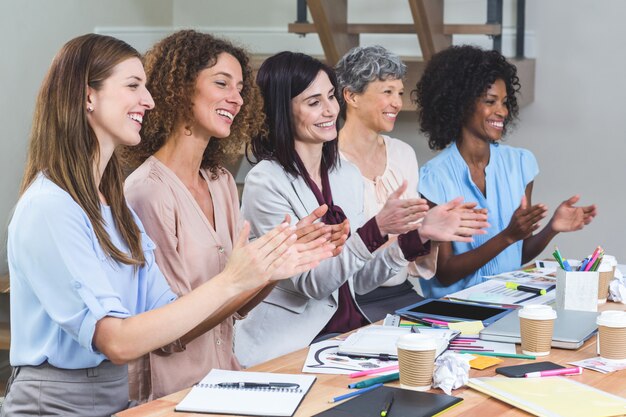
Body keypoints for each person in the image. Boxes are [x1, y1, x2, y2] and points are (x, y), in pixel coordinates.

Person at [1, 34, 331, 417]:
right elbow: (117, 342)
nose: (150, 100)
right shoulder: (50, 207)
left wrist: (266, 266)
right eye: (132, 86)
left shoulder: (115, 210)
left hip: (115, 397)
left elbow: (174, 318)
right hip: (59, 403)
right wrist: (232, 280)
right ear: (87, 96)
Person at [121, 30, 338, 402]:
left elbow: (233, 312)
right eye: (222, 83)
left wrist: (275, 265)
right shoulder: (148, 191)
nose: (236, 98)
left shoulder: (220, 181)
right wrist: (249, 275)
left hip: (225, 378)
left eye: (240, 88)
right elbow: (172, 332)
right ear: (181, 88)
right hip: (173, 394)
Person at [235, 51, 479, 367]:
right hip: (298, 339)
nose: (330, 110)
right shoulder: (265, 182)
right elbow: (312, 285)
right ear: (283, 110)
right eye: (313, 102)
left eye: (331, 97)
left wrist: (415, 237)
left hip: (349, 331)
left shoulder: (344, 174)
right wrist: (375, 229)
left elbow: (358, 280)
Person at [413, 45, 597, 298]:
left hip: (506, 301)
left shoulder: (520, 164)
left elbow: (516, 252)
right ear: (460, 103)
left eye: (504, 102)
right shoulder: (433, 179)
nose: (502, 111)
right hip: (455, 313)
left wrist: (552, 227)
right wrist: (508, 236)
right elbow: (444, 273)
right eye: (490, 102)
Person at [335, 45, 489, 315]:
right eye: (387, 92)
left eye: (400, 93)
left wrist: (433, 229)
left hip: (401, 291)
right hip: (347, 302)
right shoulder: (328, 162)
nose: (397, 102)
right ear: (351, 96)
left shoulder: (403, 154)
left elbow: (412, 239)